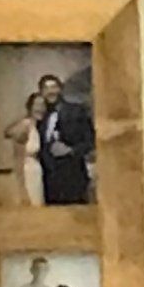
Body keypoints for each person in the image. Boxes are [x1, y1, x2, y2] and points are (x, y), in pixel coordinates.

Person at [36, 72, 95, 206]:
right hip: (49, 180)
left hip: (73, 177)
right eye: (46, 88)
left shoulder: (77, 111)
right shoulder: (41, 116)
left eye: (54, 87)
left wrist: (71, 150)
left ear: (60, 89)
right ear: (41, 92)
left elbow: (90, 141)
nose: (50, 91)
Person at [2, 92, 47, 207]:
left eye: (43, 105)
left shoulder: (38, 126)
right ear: (30, 107)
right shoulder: (25, 125)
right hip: (27, 171)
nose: (40, 108)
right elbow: (18, 157)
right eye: (37, 105)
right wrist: (22, 188)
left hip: (37, 170)